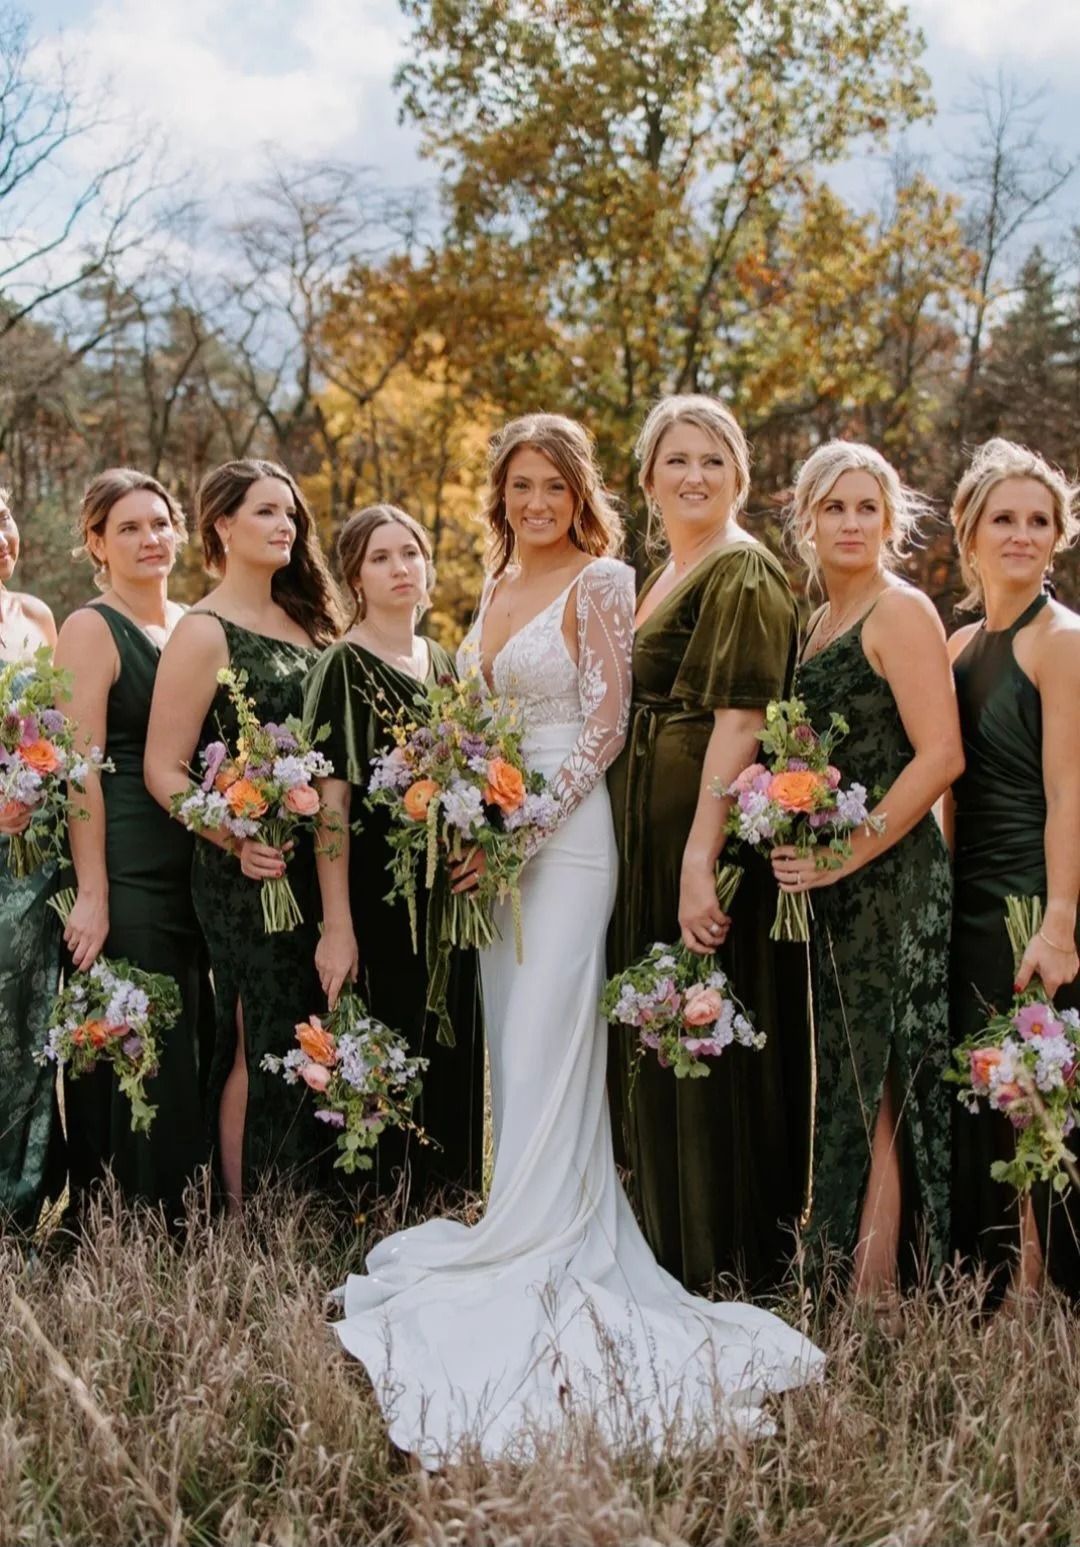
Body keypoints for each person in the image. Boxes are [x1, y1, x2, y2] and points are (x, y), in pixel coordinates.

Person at [330, 413, 823, 1467]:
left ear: (582, 491)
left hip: (569, 832)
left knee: (556, 1034)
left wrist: (518, 834)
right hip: (499, 841)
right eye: (520, 486)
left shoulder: (604, 578)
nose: (537, 502)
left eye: (554, 485)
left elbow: (604, 725)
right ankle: (518, 1213)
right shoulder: (488, 588)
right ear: (500, 495)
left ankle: (554, 1242)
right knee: (518, 1045)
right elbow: (467, 721)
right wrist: (458, 811)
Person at [606, 394, 812, 1293]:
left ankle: (718, 1258)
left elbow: (739, 723)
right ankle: (655, 1237)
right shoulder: (657, 574)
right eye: (677, 460)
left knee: (703, 1036)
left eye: (714, 461)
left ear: (740, 476)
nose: (695, 476)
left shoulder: (744, 572)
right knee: (659, 1036)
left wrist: (699, 856)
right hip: (644, 841)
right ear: (647, 477)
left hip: (704, 842)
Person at [770, 442, 961, 1307]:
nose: (852, 523)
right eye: (835, 507)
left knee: (887, 1074)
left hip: (896, 879)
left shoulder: (901, 610)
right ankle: (849, 1276)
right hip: (835, 886)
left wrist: (849, 849)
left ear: (890, 520)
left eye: (868, 508)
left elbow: (940, 757)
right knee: (851, 1073)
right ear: (805, 520)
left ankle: (877, 1293)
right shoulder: (814, 624)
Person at [145, 459, 340, 1209]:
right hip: (243, 870)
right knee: (256, 1029)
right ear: (222, 525)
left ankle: (309, 1193)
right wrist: (234, 835)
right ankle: (246, 1211)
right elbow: (163, 769)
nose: (284, 525)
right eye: (265, 512)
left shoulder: (310, 622)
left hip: (313, 860)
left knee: (309, 1023)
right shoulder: (202, 631)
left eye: (289, 512)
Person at [302, 505, 483, 1210]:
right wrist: (336, 923)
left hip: (447, 892)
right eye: (381, 557)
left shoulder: (444, 661)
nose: (401, 567)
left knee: (451, 1037)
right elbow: (332, 808)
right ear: (355, 576)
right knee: (390, 1031)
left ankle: (452, 1193)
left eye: (411, 552)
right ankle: (379, 1205)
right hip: (377, 887)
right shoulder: (341, 665)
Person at [53, 469, 215, 1224]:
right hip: (123, 859)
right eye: (128, 528)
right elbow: (77, 761)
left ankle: (188, 1202)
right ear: (96, 543)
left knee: (187, 1034)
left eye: (160, 523)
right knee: (136, 1030)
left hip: (193, 860)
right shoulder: (90, 627)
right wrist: (94, 889)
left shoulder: (188, 624)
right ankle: (130, 1217)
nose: (150, 538)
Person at [945, 437, 1080, 1298]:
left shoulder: (1060, 640)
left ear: (1059, 536)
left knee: (1038, 1087)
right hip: (966, 894)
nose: (1023, 534)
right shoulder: (958, 643)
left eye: (1041, 520)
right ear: (970, 534)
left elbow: (1072, 789)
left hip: (1035, 890)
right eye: (1005, 518)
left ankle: (1047, 1282)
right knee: (985, 1080)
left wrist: (1063, 919)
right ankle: (995, 1272)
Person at [0, 490, 65, 1231]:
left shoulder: (39, 617)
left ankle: (23, 1200)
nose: (0, 536)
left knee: (30, 1025)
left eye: (5, 517)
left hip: (36, 855)